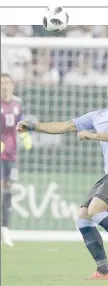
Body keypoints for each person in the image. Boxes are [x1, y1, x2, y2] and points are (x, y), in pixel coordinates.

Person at [16, 76, 108, 280]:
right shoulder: (97, 116)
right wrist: (34, 126)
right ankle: (104, 270)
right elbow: (63, 126)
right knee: (84, 217)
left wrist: (92, 136)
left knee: (95, 210)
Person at [1, 73, 32, 247]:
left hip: (12, 156)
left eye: (7, 82)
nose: (4, 86)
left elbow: (21, 124)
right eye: (1, 83)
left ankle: (5, 230)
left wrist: (25, 136)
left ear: (12, 85)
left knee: (7, 192)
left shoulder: (17, 103)